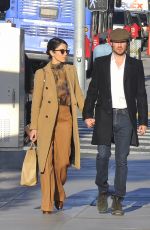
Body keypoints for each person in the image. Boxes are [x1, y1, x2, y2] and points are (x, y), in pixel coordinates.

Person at [83, 28, 148, 216]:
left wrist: (142, 120)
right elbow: (93, 90)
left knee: (121, 160)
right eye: (116, 42)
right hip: (104, 115)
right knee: (102, 156)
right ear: (110, 43)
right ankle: (102, 191)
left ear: (127, 44)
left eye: (123, 42)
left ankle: (118, 198)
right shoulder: (101, 63)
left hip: (126, 116)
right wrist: (88, 114)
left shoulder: (135, 65)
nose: (119, 45)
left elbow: (141, 94)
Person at [29, 37, 84, 214]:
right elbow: (36, 102)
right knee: (46, 162)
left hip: (65, 118)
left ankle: (58, 192)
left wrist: (88, 114)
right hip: (45, 121)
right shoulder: (41, 74)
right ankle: (47, 204)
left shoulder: (71, 70)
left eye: (67, 51)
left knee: (63, 161)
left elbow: (78, 94)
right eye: (62, 51)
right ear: (52, 52)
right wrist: (34, 127)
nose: (65, 54)